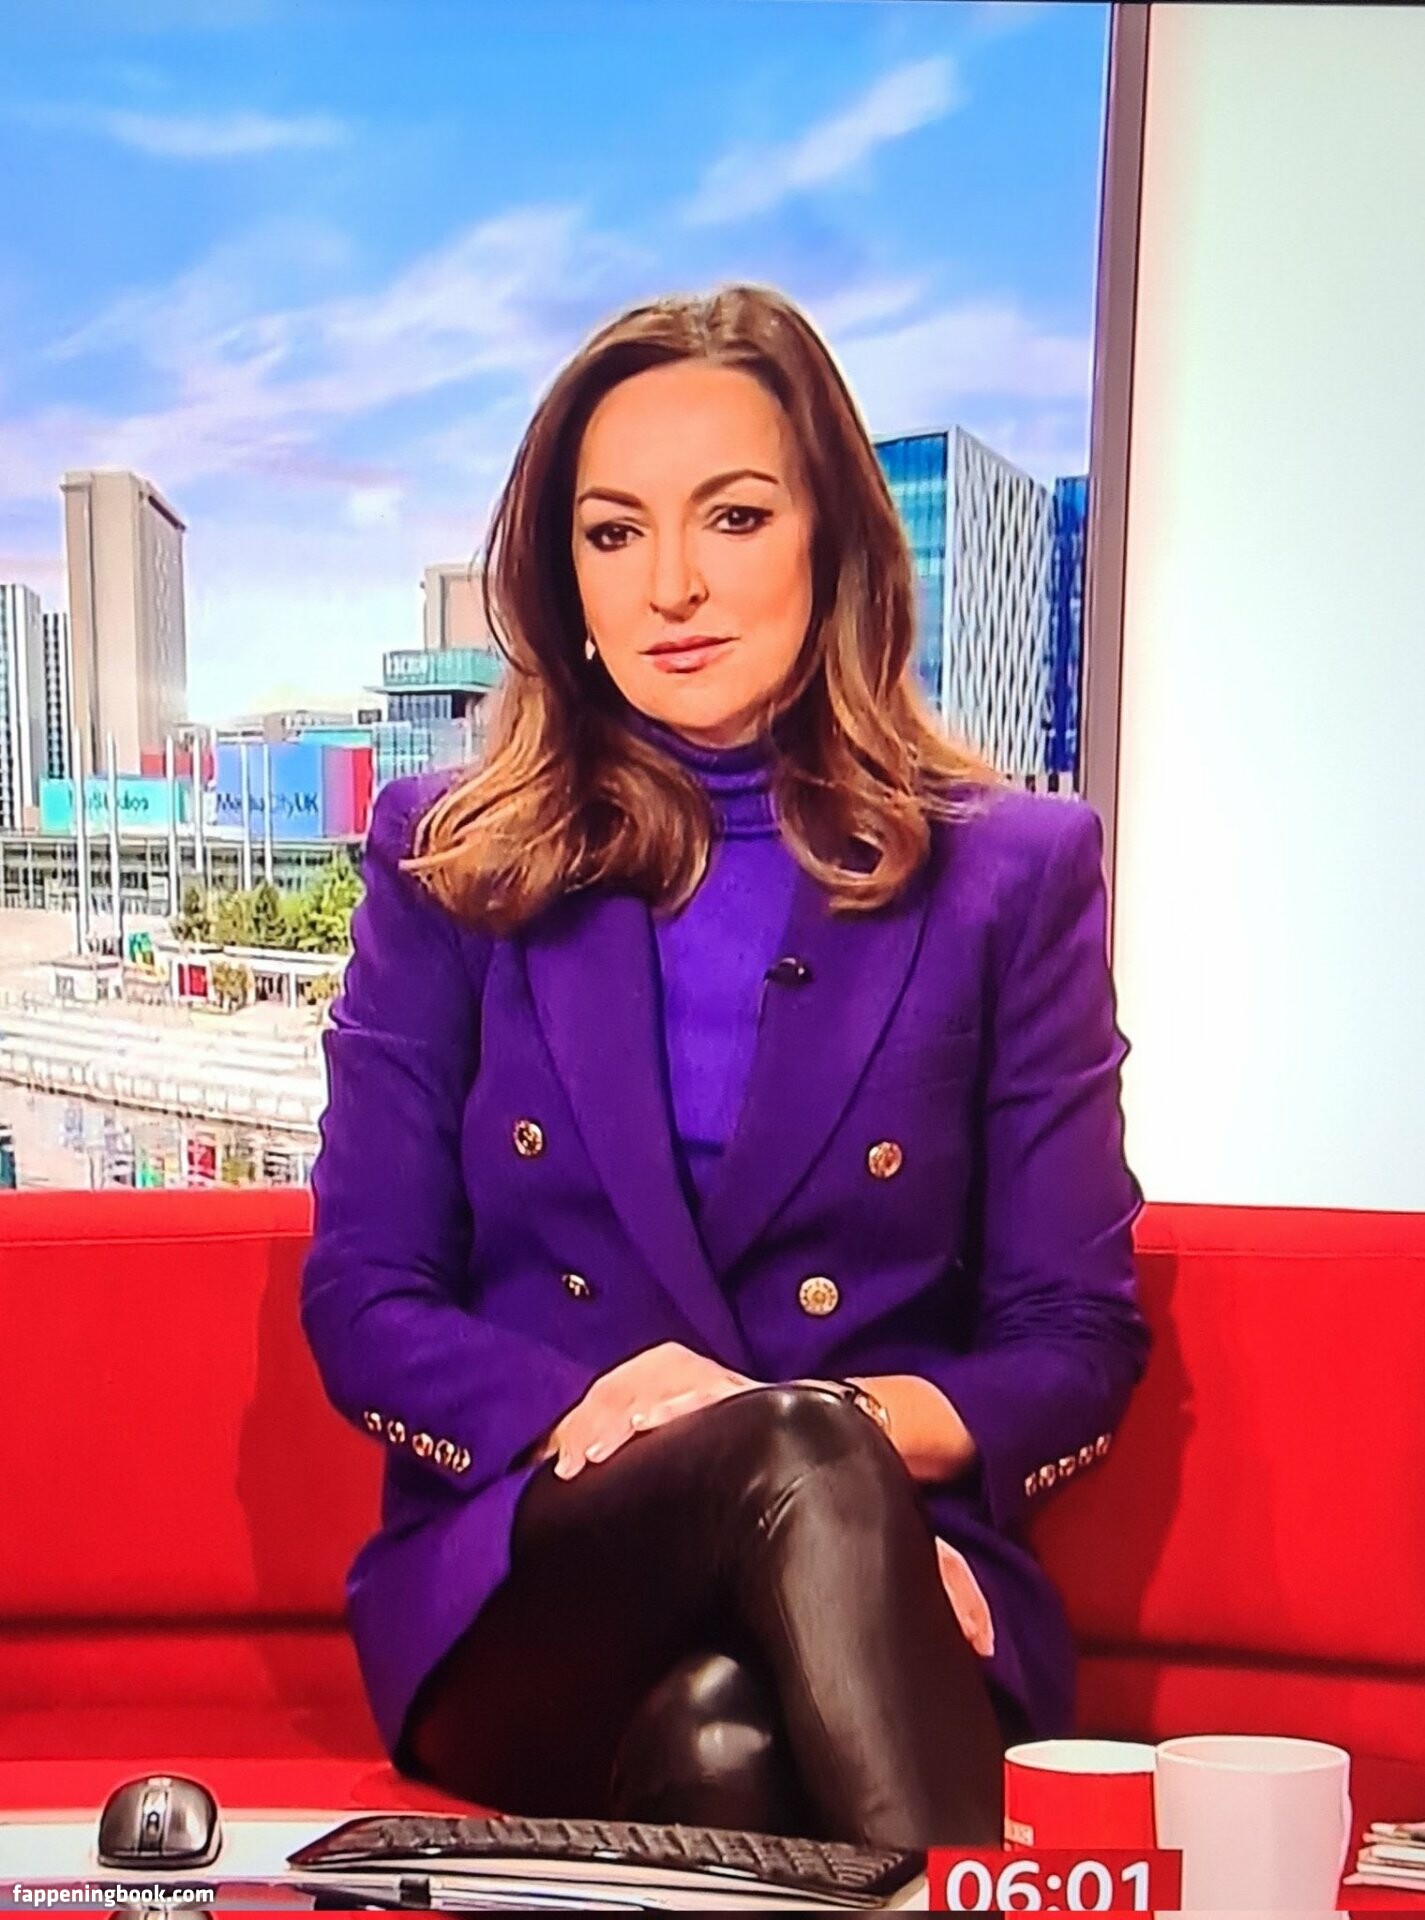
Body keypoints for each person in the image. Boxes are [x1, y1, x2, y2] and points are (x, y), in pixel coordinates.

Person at [300, 282, 1150, 1849]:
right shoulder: (447, 856)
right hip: (529, 1577)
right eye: (612, 533)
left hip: (893, 1574)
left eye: (735, 517)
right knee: (793, 1456)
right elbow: (366, 1302)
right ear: (561, 574)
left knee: (725, 1749)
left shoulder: (1012, 874)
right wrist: (737, 1438)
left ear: (833, 538)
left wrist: (830, 1482)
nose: (671, 584)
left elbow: (1070, 1337)